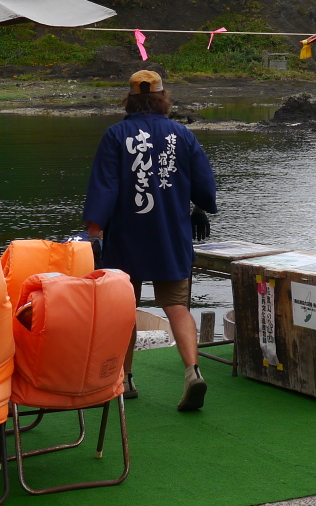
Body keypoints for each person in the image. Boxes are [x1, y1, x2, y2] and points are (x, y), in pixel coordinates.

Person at [82, 69, 217, 411]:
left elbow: (104, 187)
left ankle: (125, 379)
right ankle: (193, 371)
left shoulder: (116, 135)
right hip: (171, 235)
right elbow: (204, 182)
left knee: (125, 310)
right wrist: (200, 208)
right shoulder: (181, 134)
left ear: (129, 100)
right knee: (177, 306)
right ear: (162, 99)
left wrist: (94, 233)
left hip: (126, 238)